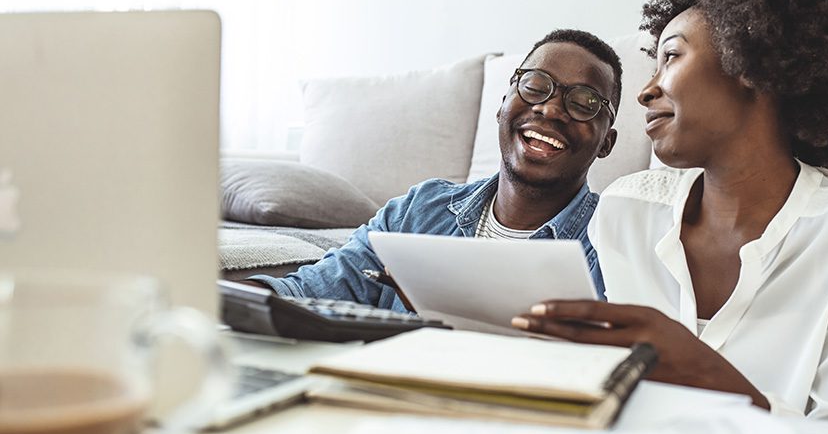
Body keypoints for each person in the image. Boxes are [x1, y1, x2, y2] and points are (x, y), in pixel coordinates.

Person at [512, 0, 828, 431]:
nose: (646, 90)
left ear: (749, 62)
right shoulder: (627, 210)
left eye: (671, 57)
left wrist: (707, 373)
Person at [241, 29, 621, 312]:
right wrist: (216, 302)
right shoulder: (419, 210)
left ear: (606, 142)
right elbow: (309, 290)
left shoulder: (614, 240)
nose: (551, 109)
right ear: (503, 102)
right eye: (536, 85)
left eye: (585, 102)